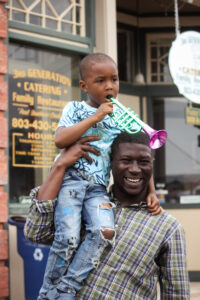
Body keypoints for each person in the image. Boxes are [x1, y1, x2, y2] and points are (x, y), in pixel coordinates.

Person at [36, 53, 161, 300]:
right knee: (68, 236)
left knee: (105, 232)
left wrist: (151, 191)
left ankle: (67, 287)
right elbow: (60, 139)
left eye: (114, 79)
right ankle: (48, 292)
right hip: (70, 182)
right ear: (84, 86)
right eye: (100, 80)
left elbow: (140, 153)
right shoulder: (74, 108)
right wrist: (96, 117)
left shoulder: (122, 116)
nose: (109, 86)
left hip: (97, 189)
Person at [24, 131, 190, 299]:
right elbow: (35, 234)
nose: (134, 169)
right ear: (110, 162)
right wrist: (59, 166)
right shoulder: (80, 206)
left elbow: (177, 294)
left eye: (143, 162)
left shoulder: (168, 228)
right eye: (125, 160)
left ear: (152, 166)